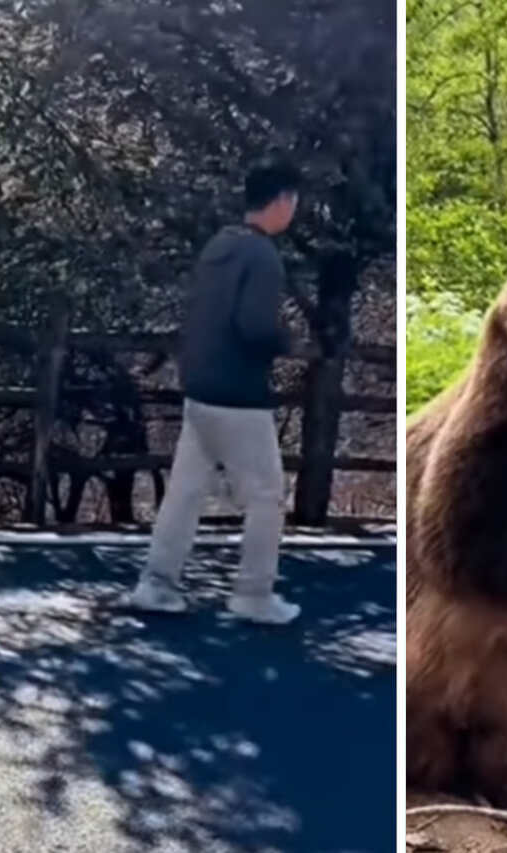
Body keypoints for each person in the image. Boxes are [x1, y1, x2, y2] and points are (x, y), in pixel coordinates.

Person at [127, 159, 303, 624]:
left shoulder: (219, 246)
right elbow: (254, 326)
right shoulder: (263, 256)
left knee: (185, 491)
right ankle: (253, 594)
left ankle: (156, 583)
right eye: (294, 202)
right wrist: (288, 343)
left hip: (200, 387)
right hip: (239, 395)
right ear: (282, 200)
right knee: (267, 495)